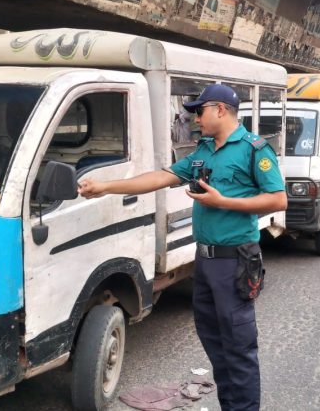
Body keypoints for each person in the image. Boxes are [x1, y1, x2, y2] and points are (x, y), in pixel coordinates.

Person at [78, 84, 286, 410]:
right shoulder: (204, 151)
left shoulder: (253, 149)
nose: (195, 119)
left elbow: (278, 199)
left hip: (235, 261)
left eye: (199, 112)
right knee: (212, 337)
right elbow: (161, 178)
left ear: (220, 110)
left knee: (238, 345)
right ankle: (232, 404)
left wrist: (224, 202)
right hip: (205, 261)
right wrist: (105, 186)